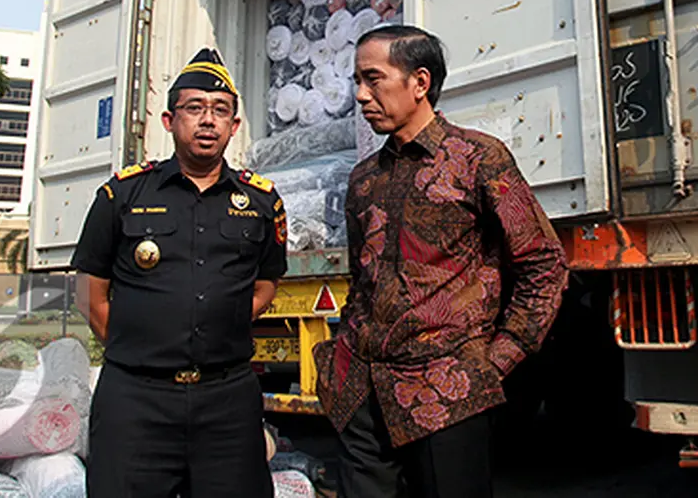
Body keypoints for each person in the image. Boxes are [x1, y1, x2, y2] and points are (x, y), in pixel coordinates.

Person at [314, 25, 569, 497]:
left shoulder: (477, 159)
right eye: (356, 82)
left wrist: (496, 360)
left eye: (374, 79)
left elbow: (544, 263)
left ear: (420, 83)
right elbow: (362, 279)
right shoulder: (364, 178)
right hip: (364, 394)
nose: (361, 95)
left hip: (446, 393)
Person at [71, 49, 286, 498]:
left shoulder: (263, 202)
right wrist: (146, 348)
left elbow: (267, 281)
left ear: (235, 126)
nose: (207, 120)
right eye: (194, 108)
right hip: (136, 400)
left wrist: (219, 322)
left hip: (227, 400)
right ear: (169, 121)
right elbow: (91, 295)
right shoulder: (122, 195)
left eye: (220, 111)